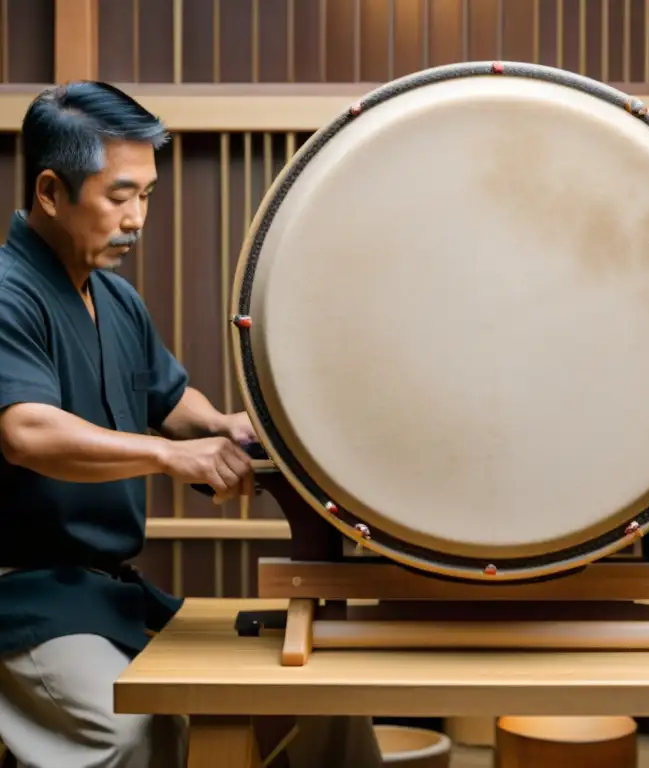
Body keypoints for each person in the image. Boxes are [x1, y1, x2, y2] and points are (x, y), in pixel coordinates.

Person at [0, 82, 382, 767]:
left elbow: (174, 404)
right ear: (52, 192)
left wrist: (239, 428)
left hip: (107, 594)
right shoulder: (7, 294)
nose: (138, 218)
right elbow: (26, 433)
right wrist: (175, 460)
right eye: (120, 195)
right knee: (128, 731)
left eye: (147, 195)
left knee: (325, 693)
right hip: (24, 599)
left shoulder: (114, 298)